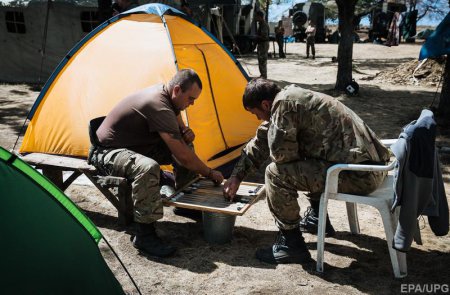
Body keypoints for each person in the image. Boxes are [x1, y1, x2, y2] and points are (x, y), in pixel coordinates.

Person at [223, 78, 390, 264]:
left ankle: (291, 245)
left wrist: (285, 144)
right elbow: (263, 138)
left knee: (276, 174)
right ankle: (318, 219)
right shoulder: (290, 98)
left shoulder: (284, 106)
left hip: (361, 175)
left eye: (256, 113)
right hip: (372, 168)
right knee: (307, 157)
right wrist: (236, 176)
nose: (258, 118)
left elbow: (281, 157)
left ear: (265, 104)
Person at [89, 69, 224, 257]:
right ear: (177, 90)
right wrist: (210, 173)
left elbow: (178, 120)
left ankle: (184, 203)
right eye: (191, 99)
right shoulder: (158, 103)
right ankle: (144, 235)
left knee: (184, 143)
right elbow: (182, 156)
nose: (191, 104)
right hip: (106, 152)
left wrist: (185, 130)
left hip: (135, 146)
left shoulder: (168, 97)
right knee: (147, 167)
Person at [255, 10, 269, 78]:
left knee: (262, 61)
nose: (255, 18)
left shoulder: (264, 25)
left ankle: (264, 76)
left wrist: (256, 36)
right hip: (261, 44)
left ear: (260, 17)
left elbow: (264, 36)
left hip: (263, 44)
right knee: (261, 61)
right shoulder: (261, 24)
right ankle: (262, 75)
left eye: (256, 16)